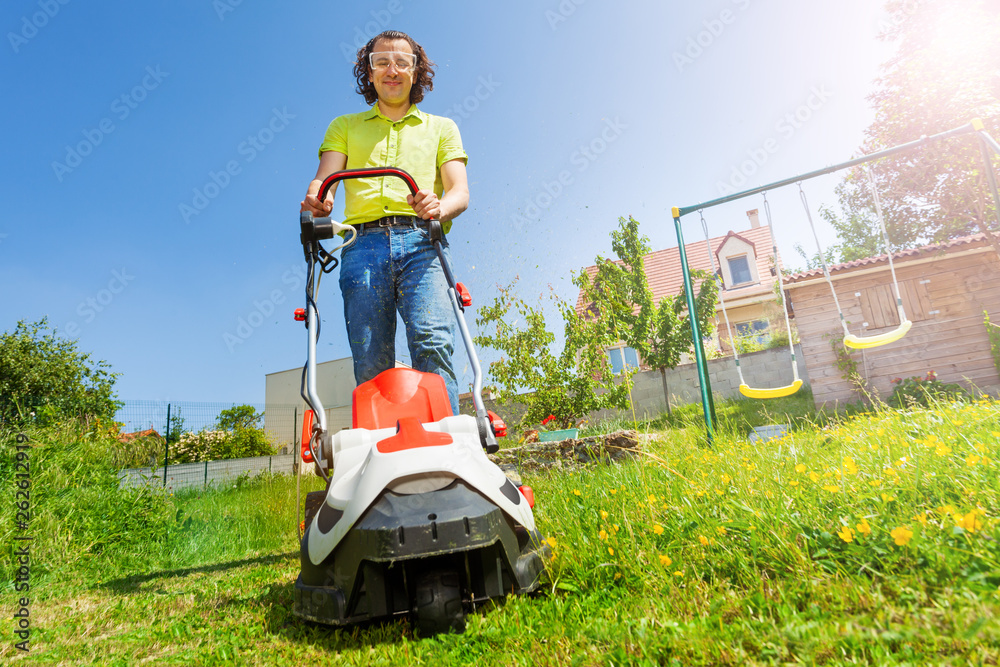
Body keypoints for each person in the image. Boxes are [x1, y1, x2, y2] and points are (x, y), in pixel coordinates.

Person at [300, 30, 469, 414]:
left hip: (423, 244)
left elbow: (459, 191)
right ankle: (384, 449)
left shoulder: (442, 127)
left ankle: (448, 443)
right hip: (361, 246)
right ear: (369, 72)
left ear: (416, 70)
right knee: (370, 356)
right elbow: (324, 178)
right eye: (381, 62)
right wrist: (319, 198)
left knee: (432, 342)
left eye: (402, 62)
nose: (392, 70)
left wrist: (439, 206)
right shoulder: (344, 126)